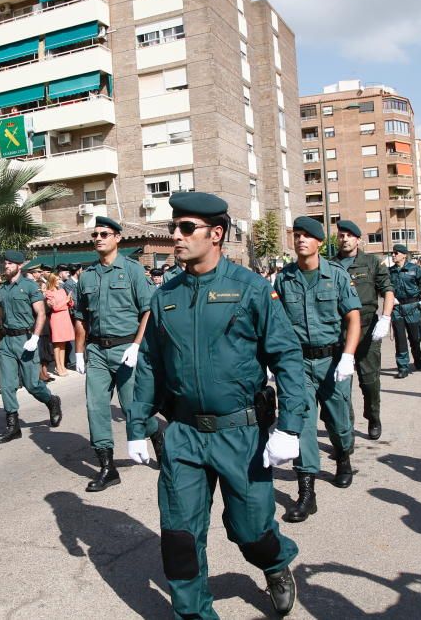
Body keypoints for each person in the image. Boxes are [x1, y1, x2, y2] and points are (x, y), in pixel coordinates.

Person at [128, 192, 303, 617]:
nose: (177, 237)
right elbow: (150, 362)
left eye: (187, 229)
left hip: (240, 432)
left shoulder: (252, 289)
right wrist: (137, 424)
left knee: (251, 531)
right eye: (175, 228)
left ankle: (275, 562)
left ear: (217, 233)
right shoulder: (164, 296)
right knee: (180, 539)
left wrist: (290, 426)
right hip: (184, 435)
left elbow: (286, 357)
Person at [273, 217, 361, 523]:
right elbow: (277, 323)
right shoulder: (283, 279)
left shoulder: (335, 276)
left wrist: (348, 356)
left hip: (332, 360)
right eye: (297, 235)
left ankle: (344, 457)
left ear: (320, 243)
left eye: (307, 236)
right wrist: (274, 361)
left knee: (338, 421)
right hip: (298, 364)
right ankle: (306, 492)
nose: (300, 240)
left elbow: (353, 318)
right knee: (303, 425)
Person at [73, 217, 162, 492]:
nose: (98, 238)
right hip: (97, 350)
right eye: (95, 234)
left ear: (117, 238)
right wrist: (79, 351)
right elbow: (80, 316)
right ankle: (108, 467)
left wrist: (137, 345)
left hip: (126, 347)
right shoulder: (86, 276)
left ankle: (159, 439)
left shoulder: (133, 270)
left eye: (104, 234)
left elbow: (148, 310)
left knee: (132, 407)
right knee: (95, 406)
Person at [332, 220, 394, 440]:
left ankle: (373, 416)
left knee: (369, 381)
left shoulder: (371, 262)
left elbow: (387, 290)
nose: (345, 239)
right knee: (341, 384)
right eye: (341, 235)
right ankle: (346, 430)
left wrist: (385, 318)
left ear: (358, 239)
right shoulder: (330, 265)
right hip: (340, 331)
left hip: (368, 330)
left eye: (349, 235)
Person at [0, 250, 62, 444]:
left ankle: (51, 401)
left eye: (10, 263)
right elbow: (1, 315)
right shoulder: (3, 288)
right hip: (7, 341)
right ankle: (13, 426)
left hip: (25, 339)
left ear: (19, 266)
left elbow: (40, 313)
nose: (6, 266)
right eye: (5, 263)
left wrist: (35, 338)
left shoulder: (29, 286)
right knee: (6, 384)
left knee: (32, 385)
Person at [389, 245, 421, 378]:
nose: (393, 255)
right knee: (400, 339)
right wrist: (390, 298)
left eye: (396, 253)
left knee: (415, 338)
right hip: (397, 308)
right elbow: (385, 288)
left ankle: (417, 357)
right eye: (392, 253)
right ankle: (403, 367)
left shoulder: (415, 269)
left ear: (404, 255)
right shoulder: (390, 271)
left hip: (413, 306)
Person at [43, 273, 74, 378]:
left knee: (63, 343)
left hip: (65, 317)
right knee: (57, 344)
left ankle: (62, 365)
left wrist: (70, 301)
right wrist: (65, 301)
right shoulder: (49, 293)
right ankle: (58, 366)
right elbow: (55, 308)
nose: (59, 281)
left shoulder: (62, 290)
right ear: (52, 281)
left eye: (59, 279)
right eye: (57, 279)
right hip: (57, 319)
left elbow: (70, 304)